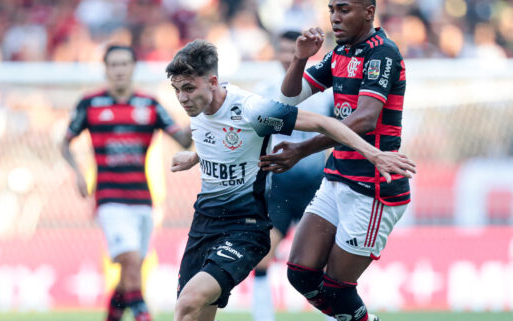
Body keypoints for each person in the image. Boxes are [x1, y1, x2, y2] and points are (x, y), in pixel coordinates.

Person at [166, 39, 415, 321]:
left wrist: (374, 154)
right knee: (195, 314)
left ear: (212, 81)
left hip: (243, 227)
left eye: (188, 89)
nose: (182, 98)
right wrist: (194, 157)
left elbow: (325, 123)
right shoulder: (198, 110)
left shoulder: (252, 110)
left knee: (187, 302)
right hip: (203, 224)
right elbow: (220, 135)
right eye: (176, 90)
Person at [259, 1, 410, 321]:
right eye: (332, 10)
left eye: (344, 9)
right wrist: (300, 58)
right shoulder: (339, 53)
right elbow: (290, 96)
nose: (335, 18)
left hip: (373, 186)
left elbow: (365, 119)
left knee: (337, 288)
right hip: (337, 176)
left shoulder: (382, 53)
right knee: (300, 273)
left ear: (369, 12)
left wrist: (302, 149)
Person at [61, 45, 192, 321]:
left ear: (133, 68)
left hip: (143, 199)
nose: (119, 70)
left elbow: (181, 139)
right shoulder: (91, 104)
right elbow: (65, 143)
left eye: (124, 64)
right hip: (109, 198)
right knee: (131, 264)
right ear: (106, 69)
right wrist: (77, 172)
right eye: (114, 65)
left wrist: (202, 111)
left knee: (129, 274)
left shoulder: (149, 105)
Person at [250, 31, 334, 321]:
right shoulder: (265, 91)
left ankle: (334, 315)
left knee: (324, 261)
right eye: (283, 50)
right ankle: (263, 317)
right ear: (275, 53)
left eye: (292, 51)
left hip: (317, 186)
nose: (288, 56)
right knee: (263, 257)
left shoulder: (322, 92)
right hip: (279, 187)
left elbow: (340, 133)